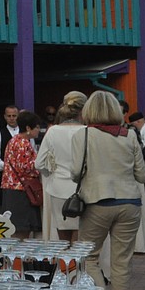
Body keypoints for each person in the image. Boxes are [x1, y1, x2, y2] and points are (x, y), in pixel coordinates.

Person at [72, 91, 145, 290]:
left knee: (89, 257)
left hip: (97, 202)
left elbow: (75, 173)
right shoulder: (130, 135)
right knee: (122, 263)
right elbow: (143, 175)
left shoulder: (83, 135)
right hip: (130, 203)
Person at [35, 91, 86, 242]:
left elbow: (39, 163)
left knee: (62, 235)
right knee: (79, 232)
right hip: (82, 187)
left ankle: (66, 265)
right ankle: (78, 266)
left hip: (57, 187)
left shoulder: (52, 131)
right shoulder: (86, 131)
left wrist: (51, 174)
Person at [2, 109, 42, 238]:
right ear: (28, 128)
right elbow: (25, 167)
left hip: (12, 188)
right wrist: (41, 166)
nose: (38, 130)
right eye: (36, 127)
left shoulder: (14, 140)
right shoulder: (23, 143)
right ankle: (18, 257)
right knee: (22, 229)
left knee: (15, 228)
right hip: (20, 190)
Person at [0, 105, 20, 208]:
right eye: (9, 116)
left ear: (18, 116)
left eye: (14, 116)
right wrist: (5, 166)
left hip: (23, 177)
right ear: (5, 117)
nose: (11, 118)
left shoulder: (25, 133)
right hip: (5, 176)